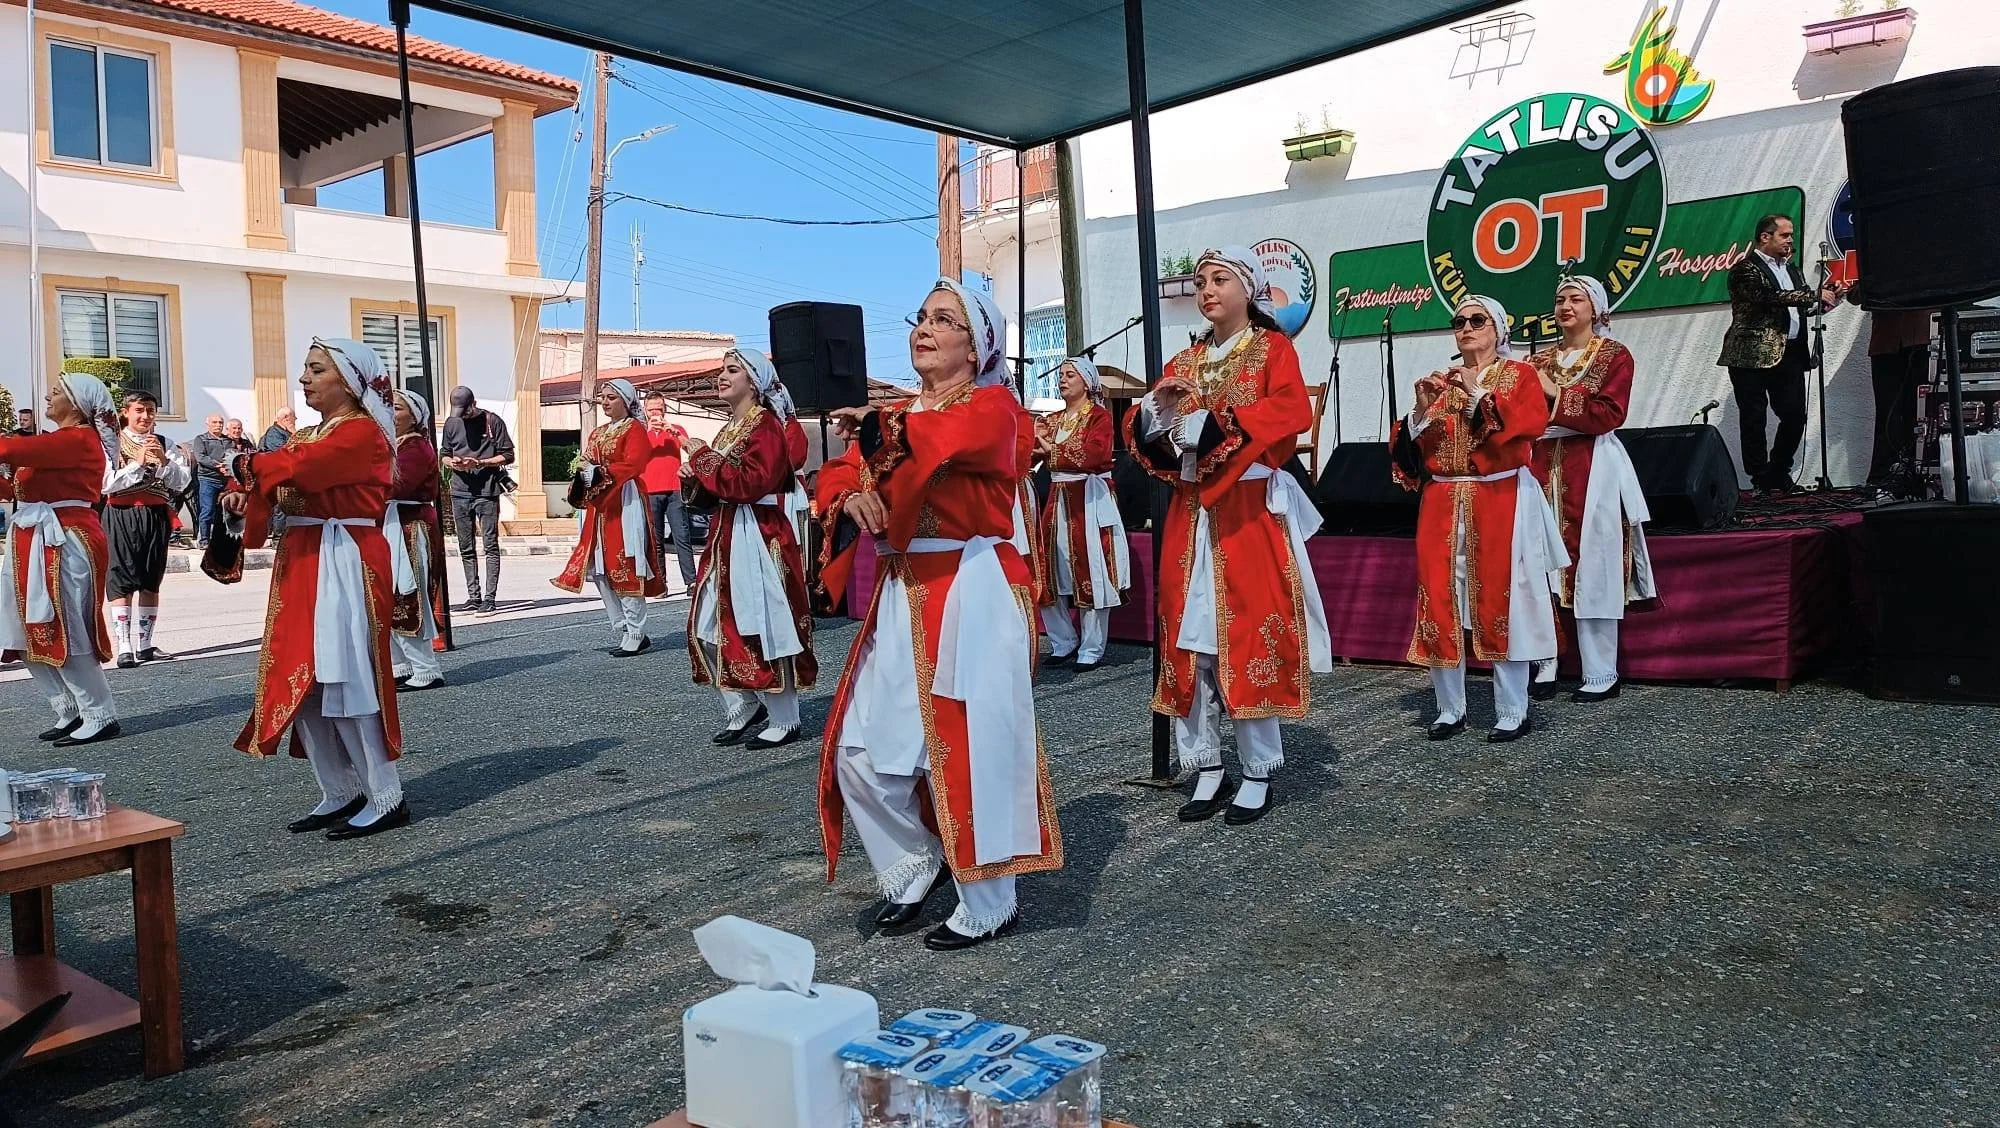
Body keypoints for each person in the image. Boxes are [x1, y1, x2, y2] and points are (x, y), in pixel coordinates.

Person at [815, 277, 1060, 952]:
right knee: (859, 754)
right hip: (903, 592)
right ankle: (914, 865)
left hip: (968, 588)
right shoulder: (901, 415)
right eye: (920, 316)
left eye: (944, 319)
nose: (924, 327)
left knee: (974, 742)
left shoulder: (995, 408)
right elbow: (843, 472)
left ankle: (990, 899)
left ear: (978, 345)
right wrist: (851, 495)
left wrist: (875, 433)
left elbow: (935, 443)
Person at [1125, 247, 1332, 824]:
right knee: (1191, 640)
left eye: (1219, 280)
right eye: (1200, 281)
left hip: (1246, 510)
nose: (1207, 289)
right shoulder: (1186, 360)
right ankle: (1205, 764)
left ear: (1249, 289)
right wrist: (1154, 415)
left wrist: (1228, 423)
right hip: (1191, 513)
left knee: (1243, 632)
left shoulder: (1272, 349)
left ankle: (1259, 767)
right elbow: (1153, 430)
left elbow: (1293, 411)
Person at [222, 338, 407, 839]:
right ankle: (339, 789)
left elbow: (295, 469)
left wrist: (249, 468)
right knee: (302, 678)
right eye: (305, 367)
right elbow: (278, 485)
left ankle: (385, 792)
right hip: (306, 557)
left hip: (343, 556)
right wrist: (247, 499)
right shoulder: (309, 432)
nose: (304, 377)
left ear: (348, 381)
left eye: (316, 368)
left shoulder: (363, 433)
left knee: (346, 675)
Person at [1392, 295, 1567, 743]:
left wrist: (1477, 397)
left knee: (1504, 598)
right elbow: (1412, 454)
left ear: (1498, 329)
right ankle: (1450, 707)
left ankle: (1513, 707)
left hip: (1500, 496)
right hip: (1444, 500)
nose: (1466, 327)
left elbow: (1526, 424)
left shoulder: (1519, 375)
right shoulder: (1440, 381)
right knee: (1439, 597)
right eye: (1459, 321)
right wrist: (1417, 414)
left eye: (1477, 320)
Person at [1525, 277, 1658, 702]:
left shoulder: (1615, 356)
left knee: (1595, 562)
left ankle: (1601, 669)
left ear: (1596, 308)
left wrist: (1553, 393)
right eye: (1559, 298)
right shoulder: (1536, 358)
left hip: (1593, 463)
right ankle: (1542, 661)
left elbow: (1607, 413)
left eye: (1575, 298)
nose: (1565, 305)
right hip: (1541, 460)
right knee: (1536, 562)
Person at [682, 349, 817, 749]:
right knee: (705, 624)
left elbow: (749, 485)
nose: (722, 376)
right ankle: (742, 703)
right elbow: (715, 492)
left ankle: (785, 717)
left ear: (754, 381)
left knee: (766, 622)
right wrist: (692, 478)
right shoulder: (729, 430)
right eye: (722, 370)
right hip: (725, 535)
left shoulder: (766, 427)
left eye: (732, 370)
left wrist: (702, 457)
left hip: (758, 534)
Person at [0, 372, 121, 747]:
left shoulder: (80, 440)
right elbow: (17, 485)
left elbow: (11, 451)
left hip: (64, 538)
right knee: (19, 627)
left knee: (66, 624)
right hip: (31, 536)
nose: (48, 398)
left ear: (78, 403)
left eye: (56, 393)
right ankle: (68, 708)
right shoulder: (54, 442)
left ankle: (99, 712)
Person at [1717, 215, 1844, 494]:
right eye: (1785, 235)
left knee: (1795, 415)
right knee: (1754, 417)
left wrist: (1828, 301)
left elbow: (1798, 309)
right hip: (1750, 355)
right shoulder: (1745, 269)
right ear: (1765, 237)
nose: (1790, 240)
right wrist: (1812, 295)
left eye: (1791, 235)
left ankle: (1778, 471)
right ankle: (1759, 477)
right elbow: (1769, 296)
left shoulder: (1793, 270)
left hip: (1790, 353)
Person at [552, 379, 665, 655]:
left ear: (625, 401)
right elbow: (587, 458)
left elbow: (635, 463)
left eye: (611, 398)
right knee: (600, 568)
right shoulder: (598, 432)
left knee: (625, 561)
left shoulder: (635, 429)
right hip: (600, 505)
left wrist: (599, 472)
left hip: (624, 500)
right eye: (602, 397)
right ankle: (623, 625)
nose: (604, 402)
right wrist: (583, 470)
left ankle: (637, 630)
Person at [1033, 357, 1129, 672]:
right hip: (1058, 500)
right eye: (1061, 375)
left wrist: (1050, 449)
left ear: (1086, 382)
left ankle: (1091, 646)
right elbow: (1035, 449)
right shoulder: (1053, 419)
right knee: (1049, 573)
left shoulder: (1098, 417)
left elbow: (1094, 454)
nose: (1063, 380)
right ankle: (1063, 641)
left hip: (1086, 500)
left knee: (1093, 572)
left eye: (1070, 375)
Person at [103, 390, 192, 666]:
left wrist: (163, 462)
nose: (145, 416)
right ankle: (124, 647)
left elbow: (181, 483)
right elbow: (106, 484)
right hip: (121, 513)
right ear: (125, 412)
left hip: (155, 515)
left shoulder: (167, 443)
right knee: (120, 578)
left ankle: (145, 643)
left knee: (151, 578)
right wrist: (138, 464)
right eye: (139, 410)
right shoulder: (112, 444)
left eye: (150, 411)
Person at [1843, 282, 1933, 493]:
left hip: (1923, 340)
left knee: (1920, 412)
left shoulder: (1930, 258)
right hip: (1886, 344)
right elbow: (1854, 296)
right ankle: (1881, 477)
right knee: (1886, 412)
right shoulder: (1879, 261)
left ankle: (1918, 475)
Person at [387, 389, 446, 692]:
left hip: (409, 528)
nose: (390, 412)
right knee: (388, 597)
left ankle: (426, 668)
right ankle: (401, 664)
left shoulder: (416, 448)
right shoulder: (393, 444)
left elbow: (396, 486)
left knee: (410, 595)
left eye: (397, 408)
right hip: (390, 526)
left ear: (414, 415)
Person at [441, 386, 515, 614]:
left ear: (473, 403)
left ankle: (490, 598)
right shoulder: (451, 423)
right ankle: (473, 596)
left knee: (490, 545)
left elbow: (509, 455)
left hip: (487, 492)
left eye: (465, 411)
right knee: (466, 547)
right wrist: (451, 462)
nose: (462, 416)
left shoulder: (493, 421)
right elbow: (443, 453)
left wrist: (481, 463)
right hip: (460, 491)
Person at [640, 391, 698, 590]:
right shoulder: (641, 432)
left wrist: (672, 431)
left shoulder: (676, 429)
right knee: (655, 540)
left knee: (682, 536)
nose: (656, 413)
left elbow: (690, 448)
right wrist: (648, 430)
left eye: (659, 408)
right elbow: (636, 453)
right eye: (651, 410)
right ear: (645, 411)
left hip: (674, 489)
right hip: (650, 490)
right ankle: (660, 583)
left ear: (664, 409)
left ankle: (691, 581)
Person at [188, 413, 233, 547]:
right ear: (208, 424)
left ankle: (223, 539)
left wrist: (228, 466)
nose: (218, 425)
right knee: (207, 510)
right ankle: (204, 540)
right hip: (208, 479)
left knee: (225, 511)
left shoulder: (228, 441)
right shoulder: (201, 439)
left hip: (224, 480)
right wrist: (217, 466)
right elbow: (201, 457)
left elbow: (231, 455)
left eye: (220, 423)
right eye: (214, 422)